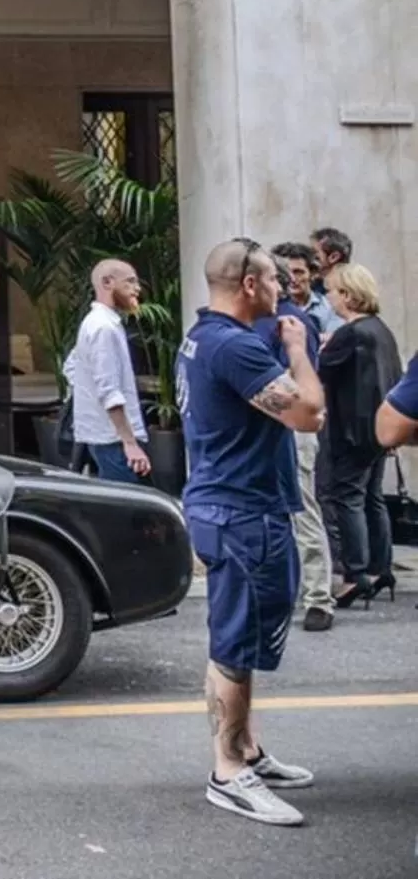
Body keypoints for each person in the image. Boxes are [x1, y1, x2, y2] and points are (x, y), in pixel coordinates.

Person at [177, 237, 323, 825]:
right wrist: (298, 351)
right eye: (273, 278)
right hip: (241, 513)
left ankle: (247, 750)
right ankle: (228, 771)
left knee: (245, 636)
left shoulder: (203, 336)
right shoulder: (234, 347)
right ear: (248, 285)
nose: (283, 287)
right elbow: (309, 413)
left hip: (233, 505)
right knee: (234, 646)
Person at [315, 263, 400, 606]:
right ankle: (381, 568)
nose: (329, 299)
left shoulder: (349, 335)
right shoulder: (381, 330)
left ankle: (356, 573)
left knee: (347, 496)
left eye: (332, 292)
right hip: (379, 428)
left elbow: (321, 372)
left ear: (347, 296)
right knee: (372, 497)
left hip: (351, 429)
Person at [266, 253, 335, 631]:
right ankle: (301, 593)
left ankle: (318, 597)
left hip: (294, 425)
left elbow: (301, 379)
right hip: (277, 423)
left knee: (303, 508)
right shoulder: (267, 320)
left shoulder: (292, 322)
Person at [62, 259, 150, 483]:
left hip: (105, 436)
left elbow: (72, 367)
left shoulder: (98, 323)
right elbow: (109, 391)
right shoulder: (104, 328)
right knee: (126, 502)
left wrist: (87, 396)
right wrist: (129, 443)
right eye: (130, 282)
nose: (137, 289)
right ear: (107, 282)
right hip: (113, 439)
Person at [308, 227, 352, 339]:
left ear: (333, 257)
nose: (308, 260)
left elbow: (336, 337)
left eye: (314, 254)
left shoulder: (345, 293)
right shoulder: (314, 287)